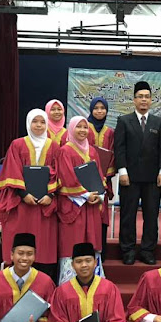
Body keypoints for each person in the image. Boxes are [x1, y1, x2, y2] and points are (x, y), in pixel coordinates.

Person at [0, 109, 59, 277]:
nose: (39, 125)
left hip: (45, 205)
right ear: (28, 123)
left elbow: (59, 173)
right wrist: (24, 195)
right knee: (21, 239)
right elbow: (12, 170)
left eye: (42, 122)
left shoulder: (54, 146)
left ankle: (44, 282)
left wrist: (50, 195)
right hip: (22, 203)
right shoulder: (17, 145)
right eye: (35, 121)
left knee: (44, 245)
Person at [114, 81, 161, 266]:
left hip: (153, 178)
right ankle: (128, 250)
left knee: (151, 216)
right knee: (128, 215)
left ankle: (147, 250)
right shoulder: (124, 121)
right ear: (134, 100)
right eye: (140, 97)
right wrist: (122, 171)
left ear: (151, 100)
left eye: (147, 97)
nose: (144, 100)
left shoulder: (158, 122)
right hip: (129, 177)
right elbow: (119, 148)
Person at [56, 116, 106, 284]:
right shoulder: (65, 151)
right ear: (71, 129)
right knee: (72, 242)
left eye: (85, 127)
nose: (83, 130)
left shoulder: (92, 151)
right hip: (73, 205)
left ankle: (94, 282)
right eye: (79, 127)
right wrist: (85, 195)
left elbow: (100, 176)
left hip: (91, 206)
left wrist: (99, 195)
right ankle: (69, 284)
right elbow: (66, 178)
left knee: (91, 242)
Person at [87, 97, 115, 259]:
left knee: (101, 215)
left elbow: (112, 155)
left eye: (102, 108)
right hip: (85, 182)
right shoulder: (84, 128)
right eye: (96, 108)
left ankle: (101, 252)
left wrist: (104, 175)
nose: (99, 111)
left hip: (103, 181)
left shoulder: (109, 132)